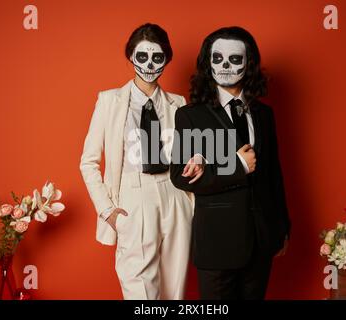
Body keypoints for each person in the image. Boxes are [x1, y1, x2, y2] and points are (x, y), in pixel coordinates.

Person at [170, 26, 291, 299]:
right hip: (217, 244)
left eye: (235, 59)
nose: (225, 66)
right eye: (217, 58)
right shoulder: (191, 116)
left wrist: (282, 227)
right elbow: (181, 176)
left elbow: (274, 173)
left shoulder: (264, 113)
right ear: (207, 64)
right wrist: (239, 167)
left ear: (249, 64)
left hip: (262, 241)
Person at [80, 23, 193, 300]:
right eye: (142, 56)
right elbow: (88, 162)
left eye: (157, 57)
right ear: (130, 56)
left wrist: (191, 205)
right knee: (140, 290)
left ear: (167, 59)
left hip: (175, 194)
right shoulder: (109, 102)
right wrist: (108, 210)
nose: (149, 64)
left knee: (174, 288)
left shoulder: (179, 103)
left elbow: (189, 154)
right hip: (133, 197)